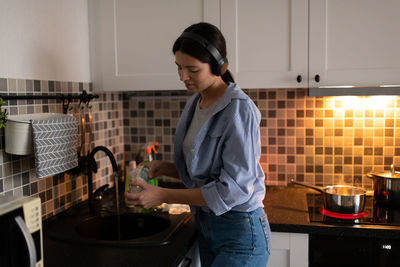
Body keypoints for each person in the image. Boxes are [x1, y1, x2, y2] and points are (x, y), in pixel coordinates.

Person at [125, 22, 271, 267]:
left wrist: (162, 194)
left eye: (192, 69)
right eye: (179, 67)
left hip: (241, 234)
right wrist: (164, 168)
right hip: (208, 226)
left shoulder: (239, 109)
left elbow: (233, 189)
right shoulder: (197, 102)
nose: (183, 76)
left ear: (218, 66)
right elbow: (205, 169)